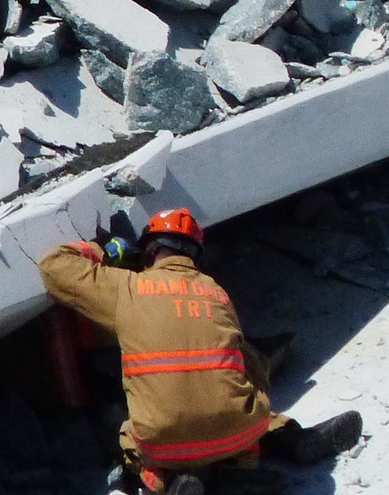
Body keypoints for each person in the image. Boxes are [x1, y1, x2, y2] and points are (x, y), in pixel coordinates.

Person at [39, 209, 363, 495]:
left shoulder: (127, 288)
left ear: (148, 250)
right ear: (195, 254)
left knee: (126, 432)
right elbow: (249, 365)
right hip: (240, 433)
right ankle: (283, 439)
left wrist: (107, 251)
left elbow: (53, 266)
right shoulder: (216, 293)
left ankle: (172, 482)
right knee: (236, 386)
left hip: (166, 444)